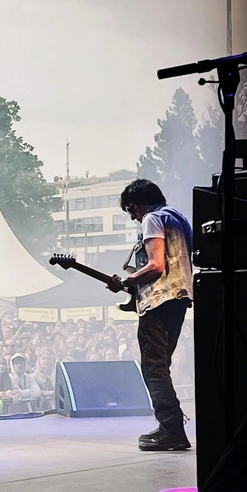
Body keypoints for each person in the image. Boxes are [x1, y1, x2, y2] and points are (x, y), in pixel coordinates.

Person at [107, 178, 193, 451]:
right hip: (179, 298)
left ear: (138, 203)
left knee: (153, 368)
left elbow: (155, 265)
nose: (133, 217)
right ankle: (172, 426)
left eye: (131, 210)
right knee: (161, 366)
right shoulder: (177, 217)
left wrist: (127, 281)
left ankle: (171, 428)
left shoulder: (152, 219)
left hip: (158, 301)